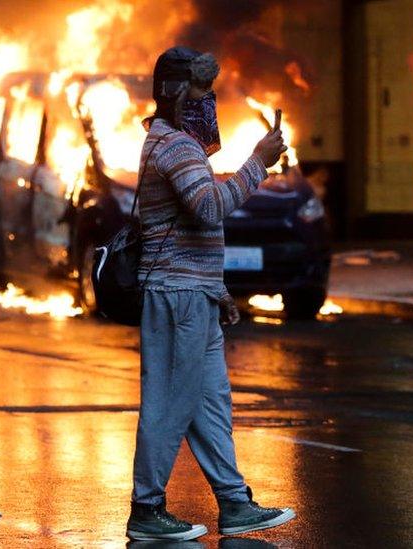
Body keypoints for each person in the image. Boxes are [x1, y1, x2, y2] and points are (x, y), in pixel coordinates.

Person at [126, 46, 295, 542]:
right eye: (202, 93)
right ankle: (147, 508)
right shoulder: (174, 145)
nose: (209, 103)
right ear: (175, 94)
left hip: (194, 295)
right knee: (169, 403)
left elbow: (198, 218)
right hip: (177, 296)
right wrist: (258, 164)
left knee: (210, 402)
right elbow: (208, 207)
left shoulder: (178, 143)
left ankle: (235, 502)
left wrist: (216, 290)